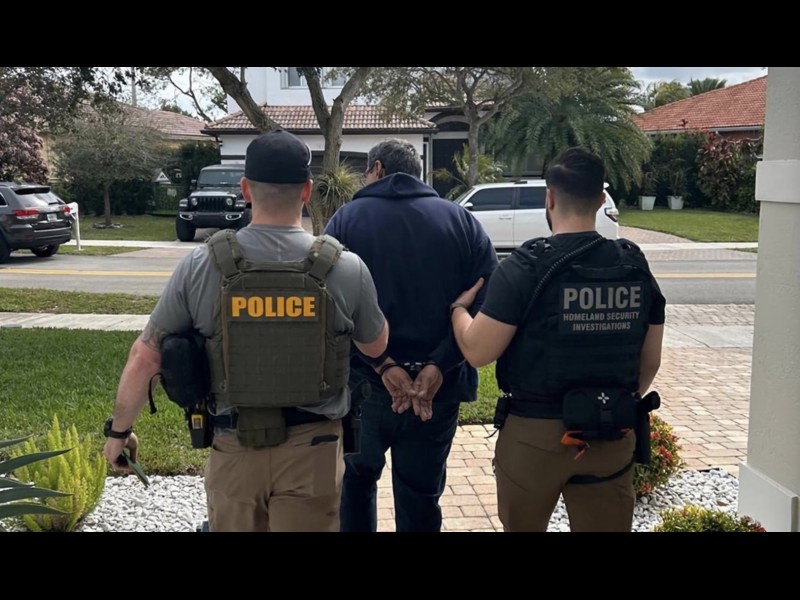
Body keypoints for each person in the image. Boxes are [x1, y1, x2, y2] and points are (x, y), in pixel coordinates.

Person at [102, 129, 389, 533]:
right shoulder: (345, 266)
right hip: (315, 452)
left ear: (245, 190)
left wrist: (119, 432)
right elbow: (376, 345)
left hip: (234, 449)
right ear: (307, 191)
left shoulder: (201, 265)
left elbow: (145, 356)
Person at [449, 147, 666, 532]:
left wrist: (458, 311)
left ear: (549, 198)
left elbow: (478, 352)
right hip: (610, 430)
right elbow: (649, 362)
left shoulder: (526, 265)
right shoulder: (632, 263)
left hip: (535, 435)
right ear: (601, 199)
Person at [324, 138, 498, 532]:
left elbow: (330, 305)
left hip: (362, 388)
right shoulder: (462, 221)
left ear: (378, 169)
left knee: (354, 484)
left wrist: (382, 365)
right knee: (421, 494)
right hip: (437, 391)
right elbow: (487, 301)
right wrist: (440, 364)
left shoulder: (346, 220)